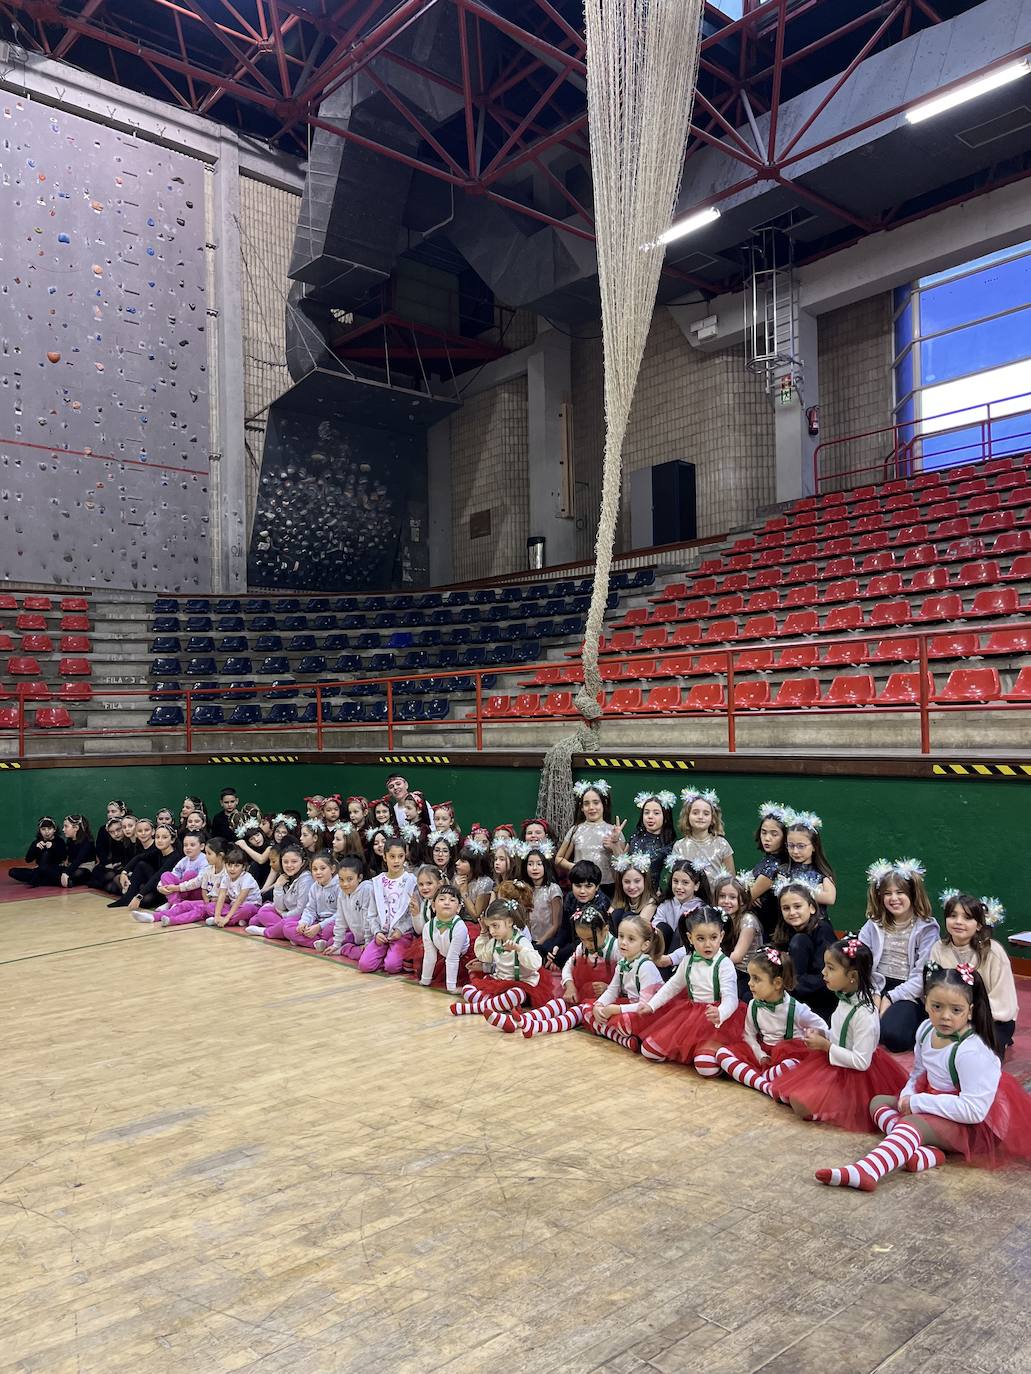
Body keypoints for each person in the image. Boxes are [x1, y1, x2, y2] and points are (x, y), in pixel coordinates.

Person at [816, 964, 1031, 1189]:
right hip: (939, 1103)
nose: (945, 1016)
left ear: (970, 1010)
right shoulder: (926, 1029)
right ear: (925, 1002)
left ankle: (868, 1171)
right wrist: (908, 1094)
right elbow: (919, 1072)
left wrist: (918, 1103)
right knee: (878, 1103)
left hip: (976, 1126)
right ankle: (925, 1152)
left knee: (911, 1123)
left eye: (956, 1010)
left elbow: (974, 1111)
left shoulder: (972, 1051)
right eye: (937, 1006)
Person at [772, 935, 907, 1130]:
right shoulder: (845, 998)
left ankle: (840, 1108)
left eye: (831, 968)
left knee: (801, 1105)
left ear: (852, 976)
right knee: (787, 1093)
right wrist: (823, 1034)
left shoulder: (865, 1015)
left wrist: (826, 1046)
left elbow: (862, 1062)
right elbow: (840, 1033)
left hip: (857, 1074)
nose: (823, 972)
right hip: (835, 1061)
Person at [635, 906, 743, 1071]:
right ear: (690, 938)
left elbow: (731, 999)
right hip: (690, 1016)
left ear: (721, 936)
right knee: (648, 1050)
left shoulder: (724, 964)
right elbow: (672, 986)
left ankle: (714, 1053)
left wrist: (720, 1013)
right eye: (700, 938)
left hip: (716, 1020)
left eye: (713, 937)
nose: (708, 944)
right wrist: (652, 1005)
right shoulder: (688, 960)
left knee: (705, 1067)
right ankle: (695, 1051)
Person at [714, 947, 829, 1095]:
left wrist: (815, 1033)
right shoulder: (753, 1005)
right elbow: (748, 1034)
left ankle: (756, 1078)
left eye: (756, 979)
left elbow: (823, 1027)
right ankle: (765, 1086)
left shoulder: (796, 1009)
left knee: (790, 1065)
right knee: (722, 1054)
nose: (749, 983)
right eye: (750, 977)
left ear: (777, 983)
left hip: (789, 1054)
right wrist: (759, 1053)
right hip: (764, 1054)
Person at [858, 857, 939, 1052]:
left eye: (900, 892)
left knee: (894, 1037)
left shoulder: (927, 928)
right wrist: (875, 993)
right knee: (856, 1028)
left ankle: (921, 1024)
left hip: (909, 992)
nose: (894, 898)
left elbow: (922, 976)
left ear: (913, 894)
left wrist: (891, 998)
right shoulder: (873, 924)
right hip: (876, 985)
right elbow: (861, 963)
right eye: (888, 894)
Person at [930, 890, 1017, 1053]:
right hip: (951, 1017)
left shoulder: (993, 952)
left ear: (978, 925)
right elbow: (933, 989)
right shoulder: (938, 949)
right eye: (952, 916)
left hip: (991, 1020)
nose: (958, 922)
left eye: (967, 917)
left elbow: (1003, 1001)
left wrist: (968, 1017)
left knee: (978, 1056)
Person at [449, 897, 552, 1029]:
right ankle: (498, 1005)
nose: (492, 931)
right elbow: (483, 956)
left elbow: (536, 964)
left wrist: (518, 949)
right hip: (498, 982)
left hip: (521, 985)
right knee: (467, 989)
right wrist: (483, 932)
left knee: (515, 994)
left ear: (509, 922)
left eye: (495, 926)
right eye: (489, 927)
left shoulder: (521, 941)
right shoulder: (495, 941)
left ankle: (473, 1008)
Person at [520, 906, 617, 1038]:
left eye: (590, 939)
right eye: (582, 939)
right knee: (559, 1003)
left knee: (577, 1011)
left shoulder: (616, 949)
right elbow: (568, 966)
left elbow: (625, 979)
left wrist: (608, 988)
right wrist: (570, 985)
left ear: (605, 930)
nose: (586, 944)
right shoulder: (582, 947)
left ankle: (538, 1027)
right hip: (584, 993)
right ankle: (523, 1019)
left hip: (606, 1000)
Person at [587, 915, 663, 1052]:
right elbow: (612, 990)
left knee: (624, 1021)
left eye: (631, 939)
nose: (623, 942)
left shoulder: (646, 967)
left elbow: (645, 1005)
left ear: (645, 945)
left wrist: (616, 1009)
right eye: (621, 936)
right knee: (588, 1010)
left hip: (649, 1012)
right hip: (630, 1005)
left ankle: (616, 1034)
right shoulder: (622, 964)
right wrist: (598, 1005)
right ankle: (623, 1039)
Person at [772, 878, 838, 1021]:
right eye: (786, 908)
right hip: (796, 992)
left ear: (812, 908)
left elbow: (826, 976)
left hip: (822, 999)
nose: (792, 912)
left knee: (799, 941)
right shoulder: (786, 931)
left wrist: (790, 986)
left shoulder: (823, 930)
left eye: (797, 906)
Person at [358, 837, 416, 974]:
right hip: (382, 934)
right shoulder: (377, 882)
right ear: (384, 857)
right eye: (392, 856)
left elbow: (412, 914)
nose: (396, 861)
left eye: (400, 856)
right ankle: (384, 953)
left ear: (405, 856)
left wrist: (400, 930)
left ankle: (392, 956)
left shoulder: (411, 881)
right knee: (364, 965)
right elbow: (371, 914)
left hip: (402, 934)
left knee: (392, 967)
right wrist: (376, 932)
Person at [555, 780, 617, 892]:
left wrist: (614, 847)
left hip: (607, 886)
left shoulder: (613, 830)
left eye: (596, 802)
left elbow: (623, 863)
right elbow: (559, 859)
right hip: (581, 886)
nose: (591, 807)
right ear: (582, 807)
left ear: (604, 804)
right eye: (586, 803)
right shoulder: (575, 830)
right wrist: (576, 867)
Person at [712, 871, 763, 1001]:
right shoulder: (719, 919)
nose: (726, 901)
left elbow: (737, 956)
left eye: (732, 897)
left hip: (747, 974)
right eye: (722, 896)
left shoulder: (748, 920)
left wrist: (711, 965)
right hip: (728, 969)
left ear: (741, 901)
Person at [652, 859, 712, 969]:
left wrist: (671, 958)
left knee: (681, 930)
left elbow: (697, 943)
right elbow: (655, 929)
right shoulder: (666, 904)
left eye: (685, 882)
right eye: (675, 881)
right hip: (662, 955)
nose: (679, 887)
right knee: (660, 927)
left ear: (696, 886)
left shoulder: (701, 909)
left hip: (687, 958)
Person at [610, 790, 676, 889]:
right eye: (646, 813)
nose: (650, 816)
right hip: (632, 889)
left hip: (653, 894)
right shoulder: (635, 837)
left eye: (656, 813)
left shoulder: (669, 844)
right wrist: (615, 842)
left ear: (665, 817)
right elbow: (622, 865)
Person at [158, 840, 227, 927]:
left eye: (209, 854)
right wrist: (206, 900)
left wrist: (213, 901)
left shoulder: (228, 872)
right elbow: (201, 886)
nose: (206, 857)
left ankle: (172, 920)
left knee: (199, 910)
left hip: (221, 904)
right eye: (206, 853)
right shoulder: (209, 869)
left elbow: (229, 895)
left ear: (220, 855)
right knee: (185, 904)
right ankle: (154, 916)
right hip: (208, 901)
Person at [670, 788, 734, 882]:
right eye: (695, 813)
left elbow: (731, 879)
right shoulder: (679, 846)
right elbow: (675, 879)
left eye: (706, 814)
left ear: (713, 819)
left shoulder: (722, 844)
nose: (700, 817)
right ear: (687, 816)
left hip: (715, 896)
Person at [250, 845, 313, 939]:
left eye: (294, 862)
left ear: (303, 862)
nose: (289, 865)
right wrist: (278, 886)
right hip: (287, 914)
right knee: (263, 911)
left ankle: (267, 932)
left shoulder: (306, 879)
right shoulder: (285, 877)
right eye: (285, 862)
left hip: (301, 918)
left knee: (286, 924)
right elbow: (280, 906)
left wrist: (283, 914)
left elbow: (300, 911)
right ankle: (282, 932)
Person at [418, 883, 470, 994]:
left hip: (463, 959)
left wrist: (451, 987)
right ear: (433, 906)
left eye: (452, 900)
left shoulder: (459, 927)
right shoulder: (428, 927)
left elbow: (453, 957)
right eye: (442, 899)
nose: (447, 903)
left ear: (458, 908)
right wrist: (425, 981)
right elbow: (430, 956)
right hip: (444, 957)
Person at [318, 855, 372, 961]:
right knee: (331, 943)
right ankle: (346, 947)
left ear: (360, 878)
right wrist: (336, 944)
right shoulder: (342, 893)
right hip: (357, 937)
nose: (345, 884)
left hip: (372, 937)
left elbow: (368, 919)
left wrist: (368, 942)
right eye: (341, 879)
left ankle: (345, 949)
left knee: (363, 956)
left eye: (349, 879)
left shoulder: (367, 890)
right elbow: (340, 919)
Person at [750, 801, 790, 937]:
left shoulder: (775, 866)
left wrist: (749, 891)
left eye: (774, 834)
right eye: (764, 832)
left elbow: (744, 898)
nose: (767, 838)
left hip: (768, 930)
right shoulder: (768, 859)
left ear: (785, 837)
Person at [779, 811, 836, 907]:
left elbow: (830, 898)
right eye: (791, 846)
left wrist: (793, 888)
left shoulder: (822, 874)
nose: (795, 851)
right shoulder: (783, 870)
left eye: (801, 846)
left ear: (814, 846)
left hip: (817, 921)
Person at [287, 852, 342, 948]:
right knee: (288, 928)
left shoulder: (339, 887)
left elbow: (341, 914)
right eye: (315, 869)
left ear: (332, 869)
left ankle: (317, 941)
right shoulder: (314, 887)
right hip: (317, 922)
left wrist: (320, 926)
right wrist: (304, 923)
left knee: (330, 930)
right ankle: (322, 942)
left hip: (331, 924)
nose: (318, 872)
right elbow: (310, 909)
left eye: (323, 868)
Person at [520, 841, 563, 956]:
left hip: (548, 941)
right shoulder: (525, 889)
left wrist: (539, 943)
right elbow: (526, 919)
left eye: (539, 864)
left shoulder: (553, 889)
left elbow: (556, 924)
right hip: (530, 940)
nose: (535, 868)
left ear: (546, 866)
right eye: (530, 864)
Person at [208, 846, 262, 928]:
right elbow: (221, 895)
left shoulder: (247, 878)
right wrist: (217, 915)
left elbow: (240, 900)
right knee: (210, 907)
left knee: (246, 910)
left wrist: (227, 918)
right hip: (233, 906)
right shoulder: (226, 877)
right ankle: (233, 920)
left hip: (251, 906)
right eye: (229, 865)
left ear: (243, 867)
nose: (232, 869)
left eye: (237, 866)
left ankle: (227, 921)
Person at [9, 816, 67, 885]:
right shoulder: (36, 842)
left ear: (54, 829)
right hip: (39, 870)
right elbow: (28, 860)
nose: (47, 832)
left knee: (46, 853)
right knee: (12, 872)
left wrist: (53, 847)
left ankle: (38, 879)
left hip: (55, 870)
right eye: (43, 829)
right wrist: (35, 848)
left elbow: (63, 856)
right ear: (39, 830)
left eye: (49, 828)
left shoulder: (59, 841)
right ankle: (42, 880)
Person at [609, 853, 658, 931]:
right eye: (627, 882)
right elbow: (606, 921)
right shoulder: (620, 900)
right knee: (617, 914)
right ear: (621, 883)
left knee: (628, 916)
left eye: (637, 881)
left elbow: (638, 930)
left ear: (645, 881)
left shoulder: (651, 903)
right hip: (619, 939)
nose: (632, 887)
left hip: (639, 938)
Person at [454, 839, 493, 920]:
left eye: (463, 861)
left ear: (474, 865)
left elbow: (476, 916)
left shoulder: (484, 882)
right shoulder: (456, 878)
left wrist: (464, 893)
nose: (457, 863)